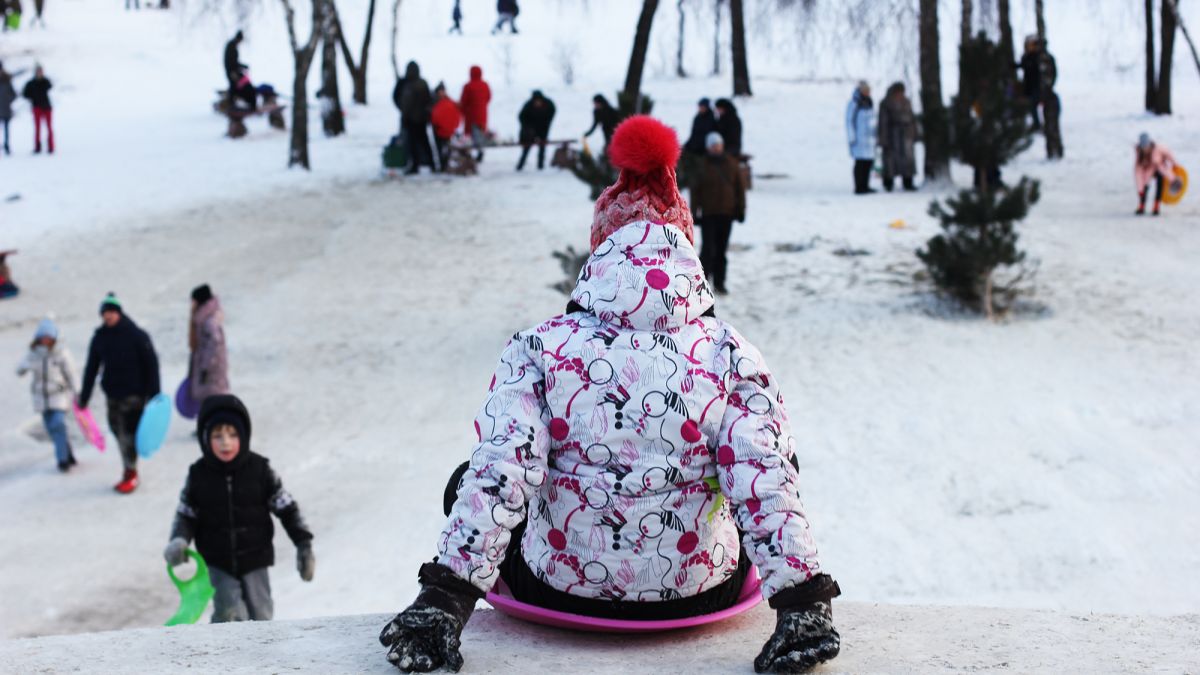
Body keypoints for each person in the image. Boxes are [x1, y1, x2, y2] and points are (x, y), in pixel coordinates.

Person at [378, 116, 841, 674]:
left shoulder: (540, 348)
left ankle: (461, 590)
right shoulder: (730, 353)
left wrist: (444, 600)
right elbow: (764, 473)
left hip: (559, 590)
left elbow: (503, 469)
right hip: (699, 591)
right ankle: (788, 601)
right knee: (760, 466)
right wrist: (804, 602)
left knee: (471, 477)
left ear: (599, 251)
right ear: (685, 250)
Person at [163, 394, 315, 622]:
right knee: (229, 614)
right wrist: (179, 539)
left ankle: (265, 655)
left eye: (233, 435)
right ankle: (228, 655)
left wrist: (303, 544)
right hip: (217, 562)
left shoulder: (260, 470)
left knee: (261, 614)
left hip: (256, 560)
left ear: (244, 436)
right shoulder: (198, 475)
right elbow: (186, 514)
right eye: (217, 435)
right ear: (205, 438)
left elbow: (287, 508)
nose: (226, 442)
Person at [78, 293, 161, 494]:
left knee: (127, 434)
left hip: (134, 395)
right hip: (112, 395)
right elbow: (92, 367)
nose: (108, 316)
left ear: (119, 313)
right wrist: (85, 396)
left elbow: (151, 365)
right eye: (105, 313)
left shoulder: (136, 335)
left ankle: (131, 473)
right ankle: (129, 468)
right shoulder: (100, 338)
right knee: (116, 430)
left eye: (111, 312)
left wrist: (155, 395)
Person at [16, 317, 78, 472]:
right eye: (42, 337)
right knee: (51, 428)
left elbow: (71, 373)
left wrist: (77, 391)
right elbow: (19, 370)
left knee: (58, 424)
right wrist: (24, 366)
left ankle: (62, 461)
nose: (45, 340)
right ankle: (68, 453)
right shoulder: (33, 354)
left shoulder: (61, 353)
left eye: (48, 336)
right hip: (41, 398)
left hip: (58, 395)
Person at [690, 131, 746, 296]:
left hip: (726, 213)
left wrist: (740, 210)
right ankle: (703, 284)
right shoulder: (702, 165)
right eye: (713, 145)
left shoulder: (731, 164)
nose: (716, 148)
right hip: (709, 214)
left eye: (718, 144)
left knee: (721, 250)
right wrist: (694, 214)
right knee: (708, 250)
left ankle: (720, 284)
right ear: (708, 147)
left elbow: (740, 189)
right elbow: (695, 192)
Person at [189, 284, 229, 406]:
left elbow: (214, 344)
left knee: (212, 404)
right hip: (211, 374)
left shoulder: (208, 322)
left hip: (210, 376)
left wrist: (205, 368)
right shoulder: (205, 319)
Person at [877, 82, 917, 192]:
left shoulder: (906, 101)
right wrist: (883, 138)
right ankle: (888, 183)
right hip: (892, 136)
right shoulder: (886, 103)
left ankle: (908, 182)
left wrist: (914, 133)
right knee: (890, 161)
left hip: (906, 136)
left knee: (908, 161)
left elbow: (912, 118)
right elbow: (883, 122)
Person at [396, 61, 434, 175]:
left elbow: (406, 103)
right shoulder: (423, 83)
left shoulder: (409, 85)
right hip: (422, 118)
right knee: (424, 142)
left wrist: (404, 116)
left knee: (412, 143)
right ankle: (431, 163)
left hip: (412, 119)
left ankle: (415, 165)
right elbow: (429, 100)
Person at [1134, 133, 1178, 216]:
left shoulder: (1159, 148)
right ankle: (1141, 206)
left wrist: (1174, 164)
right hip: (1148, 171)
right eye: (1143, 147)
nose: (1145, 149)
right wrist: (1140, 190)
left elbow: (1169, 154)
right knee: (1144, 187)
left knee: (1160, 183)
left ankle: (1156, 206)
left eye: (1146, 146)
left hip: (1160, 168)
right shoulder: (1139, 154)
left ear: (1149, 144)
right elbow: (1138, 172)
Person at [845, 81, 875, 194]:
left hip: (869, 140)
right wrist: (852, 137)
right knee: (860, 163)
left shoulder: (869, 102)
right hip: (858, 139)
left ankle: (866, 185)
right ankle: (859, 187)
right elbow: (849, 121)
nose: (868, 92)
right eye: (866, 90)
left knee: (868, 163)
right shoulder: (854, 103)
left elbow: (872, 120)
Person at [516, 89, 555, 171]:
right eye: (536, 101)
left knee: (542, 147)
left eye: (539, 101)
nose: (537, 103)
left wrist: (547, 121)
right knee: (527, 148)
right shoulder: (528, 105)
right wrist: (527, 126)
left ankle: (540, 166)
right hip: (531, 130)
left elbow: (552, 111)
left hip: (543, 128)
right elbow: (521, 116)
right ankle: (520, 166)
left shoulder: (548, 104)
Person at [459, 66, 491, 162]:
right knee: (480, 134)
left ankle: (469, 153)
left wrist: (463, 110)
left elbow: (463, 101)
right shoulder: (485, 85)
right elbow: (489, 97)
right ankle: (480, 151)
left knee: (469, 136)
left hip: (471, 115)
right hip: (482, 115)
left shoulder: (468, 86)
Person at [430, 83, 462, 172]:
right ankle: (443, 165)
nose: (442, 93)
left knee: (446, 148)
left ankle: (445, 164)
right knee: (441, 148)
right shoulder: (438, 102)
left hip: (446, 129)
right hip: (439, 129)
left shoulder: (447, 102)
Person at [22, 65, 52, 155]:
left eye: (41, 71)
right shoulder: (31, 83)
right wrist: (32, 97)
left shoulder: (45, 81)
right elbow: (25, 94)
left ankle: (51, 147)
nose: (40, 73)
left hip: (46, 107)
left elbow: (50, 86)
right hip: (37, 107)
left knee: (49, 128)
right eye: (38, 71)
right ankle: (37, 147)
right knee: (37, 128)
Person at [0, 62, 15, 155]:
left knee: (6, 129)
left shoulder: (7, 81)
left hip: (5, 109)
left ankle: (6, 145)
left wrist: (8, 100)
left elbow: (13, 94)